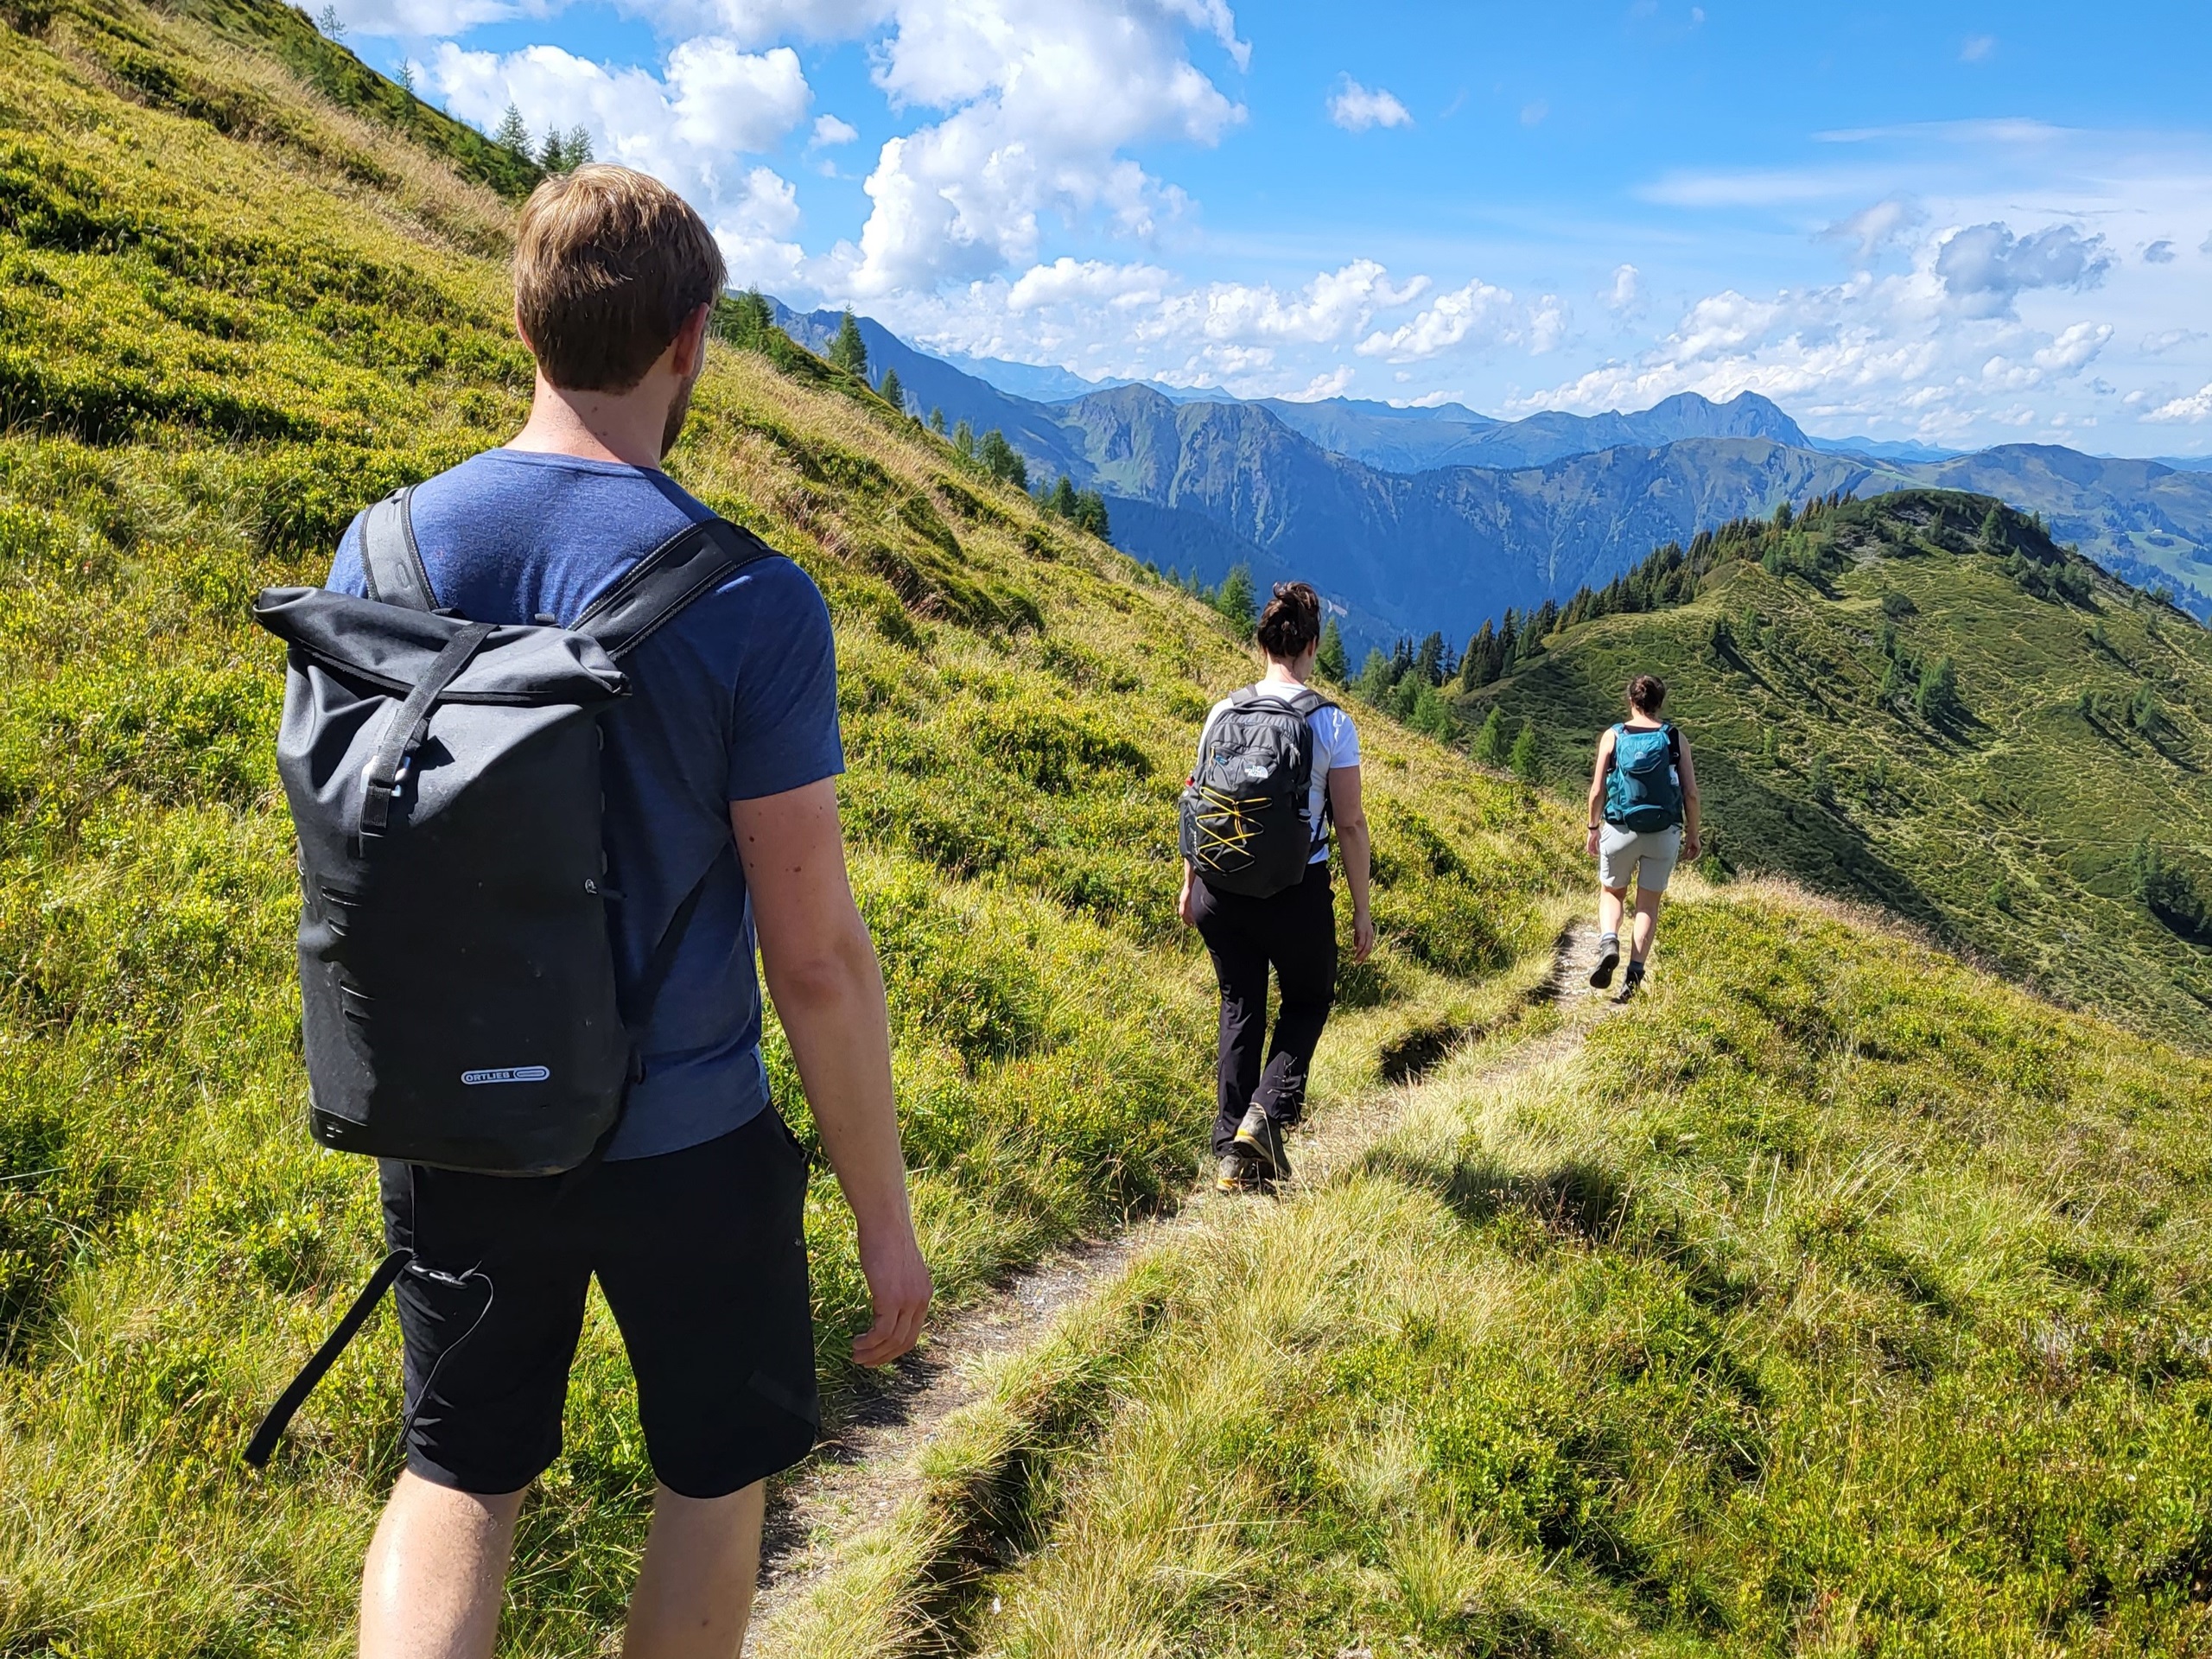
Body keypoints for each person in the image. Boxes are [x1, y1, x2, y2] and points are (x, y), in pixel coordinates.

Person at [327, 166, 931, 1659]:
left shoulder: (384, 555)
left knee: (459, 1475)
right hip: (692, 1138)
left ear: (522, 323)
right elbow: (818, 958)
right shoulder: (752, 599)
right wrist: (885, 1220)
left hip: (452, 1122)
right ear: (692, 340)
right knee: (713, 1485)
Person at [1178, 582, 1375, 1193]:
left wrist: (1189, 885)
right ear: (1312, 646)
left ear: (1261, 644)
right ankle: (1266, 1116)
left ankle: (1231, 1153)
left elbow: (1197, 800)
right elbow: (1348, 823)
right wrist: (1362, 910)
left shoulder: (1223, 711)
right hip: (1296, 890)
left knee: (1241, 1004)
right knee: (1308, 1001)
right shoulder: (1332, 723)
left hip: (1220, 885)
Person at [1585, 673, 1701, 999]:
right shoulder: (1675, 738)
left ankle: (1610, 941)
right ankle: (1634, 975)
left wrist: (1593, 828)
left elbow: (1597, 791)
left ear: (1631, 701)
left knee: (1612, 892)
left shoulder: (1614, 735)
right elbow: (1691, 794)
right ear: (1659, 703)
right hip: (1664, 832)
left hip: (1620, 826)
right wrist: (1693, 834)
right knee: (1648, 904)